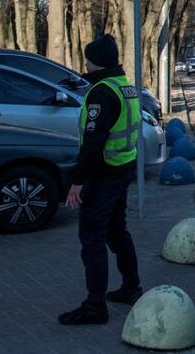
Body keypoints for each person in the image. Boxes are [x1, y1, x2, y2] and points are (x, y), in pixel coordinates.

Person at [59, 34, 144, 326]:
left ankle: (95, 306)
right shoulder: (125, 86)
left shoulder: (102, 92)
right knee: (117, 231)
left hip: (103, 173)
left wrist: (78, 181)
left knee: (92, 238)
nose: (86, 62)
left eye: (88, 58)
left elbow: (94, 141)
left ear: (95, 61)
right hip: (122, 167)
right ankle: (131, 287)